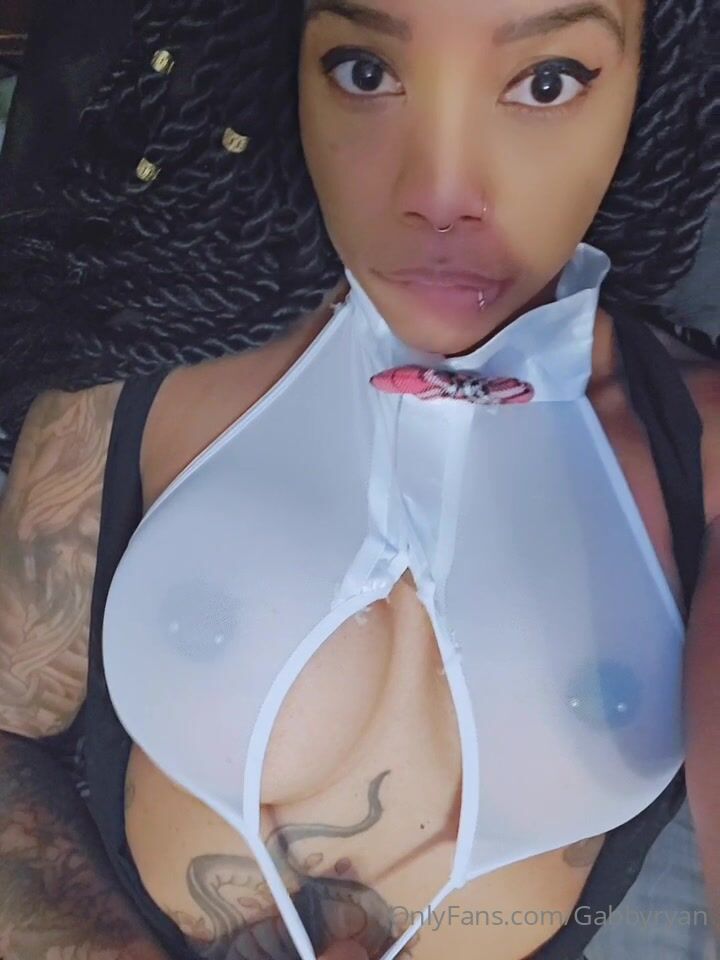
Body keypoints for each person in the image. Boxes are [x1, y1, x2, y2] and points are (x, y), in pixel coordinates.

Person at [0, 2, 718, 960]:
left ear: (651, 82)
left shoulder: (700, 451)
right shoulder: (146, 372)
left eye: (547, 83)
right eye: (365, 72)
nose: (439, 195)